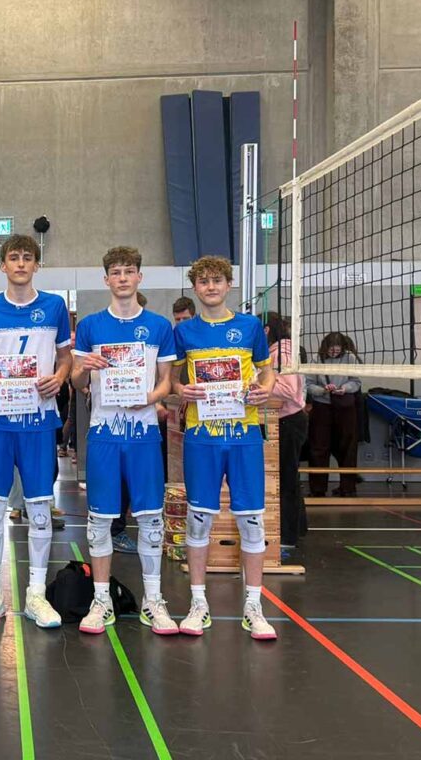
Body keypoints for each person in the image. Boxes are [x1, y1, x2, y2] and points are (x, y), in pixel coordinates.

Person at [0, 234, 72, 629]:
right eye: (14, 257)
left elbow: (65, 357)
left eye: (28, 257)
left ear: (37, 265)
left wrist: (59, 377)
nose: (21, 264)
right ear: (3, 265)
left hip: (39, 420)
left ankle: (36, 594)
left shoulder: (55, 306)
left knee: (40, 508)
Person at [72, 246, 178, 634]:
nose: (122, 278)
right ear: (106, 280)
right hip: (104, 433)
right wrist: (84, 368)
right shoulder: (91, 326)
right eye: (115, 272)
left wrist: (149, 398)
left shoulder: (159, 326)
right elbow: (76, 382)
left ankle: (153, 600)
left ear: (139, 277)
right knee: (100, 519)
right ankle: (101, 600)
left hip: (144, 434)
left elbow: (167, 382)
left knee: (150, 517)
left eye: (129, 271)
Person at [172, 256, 278, 640]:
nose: (211, 287)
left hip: (244, 433)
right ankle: (198, 603)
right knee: (198, 518)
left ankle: (254, 606)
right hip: (202, 435)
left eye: (217, 280)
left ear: (229, 284)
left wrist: (265, 389)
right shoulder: (184, 332)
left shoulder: (249, 327)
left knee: (251, 520)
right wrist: (181, 390)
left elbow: (267, 371)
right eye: (203, 282)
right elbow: (172, 379)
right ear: (195, 288)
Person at [266, 313, 308, 548]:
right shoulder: (277, 351)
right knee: (289, 477)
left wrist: (259, 385)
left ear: (265, 330)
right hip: (285, 420)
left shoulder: (282, 353)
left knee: (286, 479)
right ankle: (297, 529)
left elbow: (288, 390)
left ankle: (288, 537)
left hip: (289, 421)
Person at [306, 332, 362, 497]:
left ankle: (348, 488)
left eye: (337, 350)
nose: (334, 353)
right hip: (322, 407)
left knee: (348, 447)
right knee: (318, 447)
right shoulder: (316, 359)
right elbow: (308, 385)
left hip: (345, 407)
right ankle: (317, 489)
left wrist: (345, 388)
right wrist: (323, 390)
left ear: (343, 348)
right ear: (325, 347)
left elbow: (356, 381)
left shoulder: (350, 358)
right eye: (331, 350)